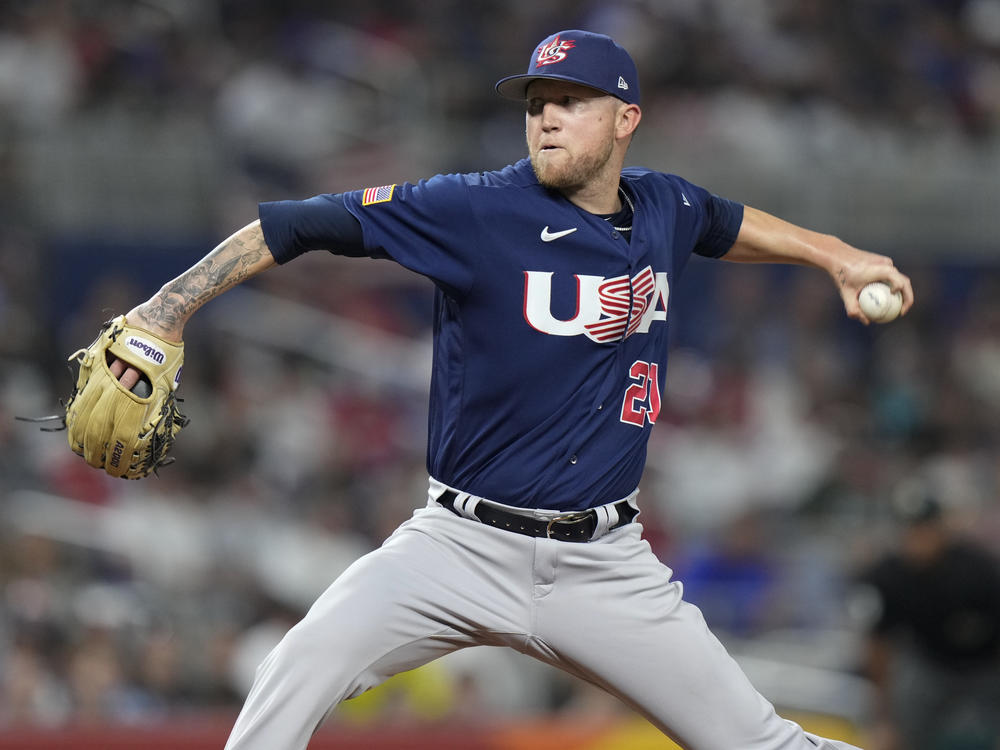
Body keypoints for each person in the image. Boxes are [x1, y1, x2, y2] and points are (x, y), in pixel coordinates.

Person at [108, 30, 913, 750]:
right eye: (536, 103)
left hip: (607, 565)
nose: (547, 118)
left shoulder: (665, 204)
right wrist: (164, 310)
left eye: (571, 101)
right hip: (459, 545)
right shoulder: (474, 208)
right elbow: (295, 226)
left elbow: (728, 222)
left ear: (626, 119)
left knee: (758, 741)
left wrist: (836, 255)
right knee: (297, 672)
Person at [856, 487, 1000, 750]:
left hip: (988, 664)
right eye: (909, 529)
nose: (917, 538)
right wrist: (884, 719)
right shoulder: (888, 575)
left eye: (924, 528)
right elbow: (877, 647)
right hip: (931, 664)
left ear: (941, 528)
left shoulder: (979, 569)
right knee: (892, 733)